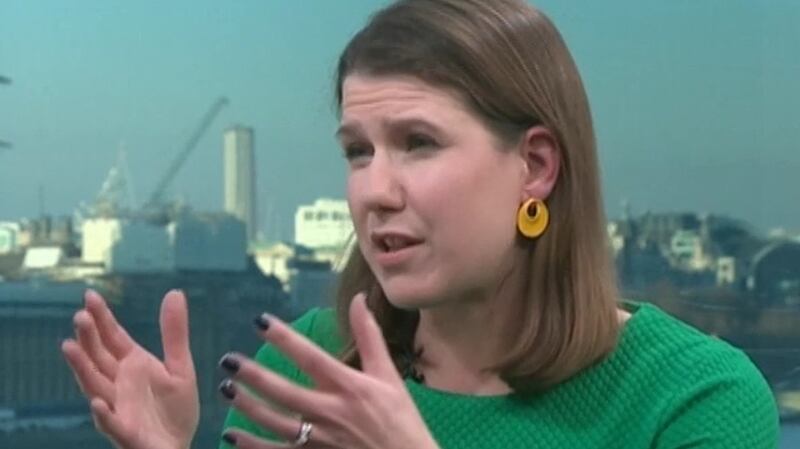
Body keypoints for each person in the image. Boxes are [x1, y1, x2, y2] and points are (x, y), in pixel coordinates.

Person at [62, 1, 780, 448]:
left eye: (419, 142)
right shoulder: (304, 364)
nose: (374, 189)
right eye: (357, 151)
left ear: (535, 167)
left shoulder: (694, 397)